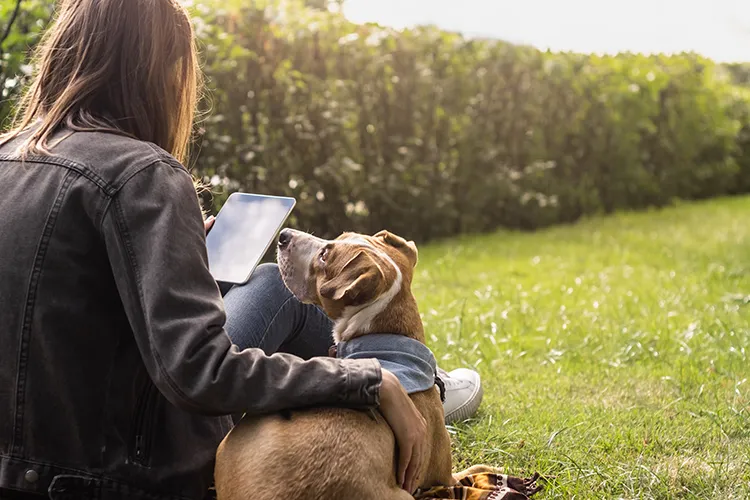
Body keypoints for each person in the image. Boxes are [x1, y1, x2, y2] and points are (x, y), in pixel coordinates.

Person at [0, 0, 481, 499]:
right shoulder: (143, 174)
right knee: (275, 284)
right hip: (122, 472)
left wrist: (183, 262)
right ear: (159, 69)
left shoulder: (6, 155)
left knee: (271, 281)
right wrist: (366, 380)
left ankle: (415, 381)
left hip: (23, 464)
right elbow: (199, 373)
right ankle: (417, 387)